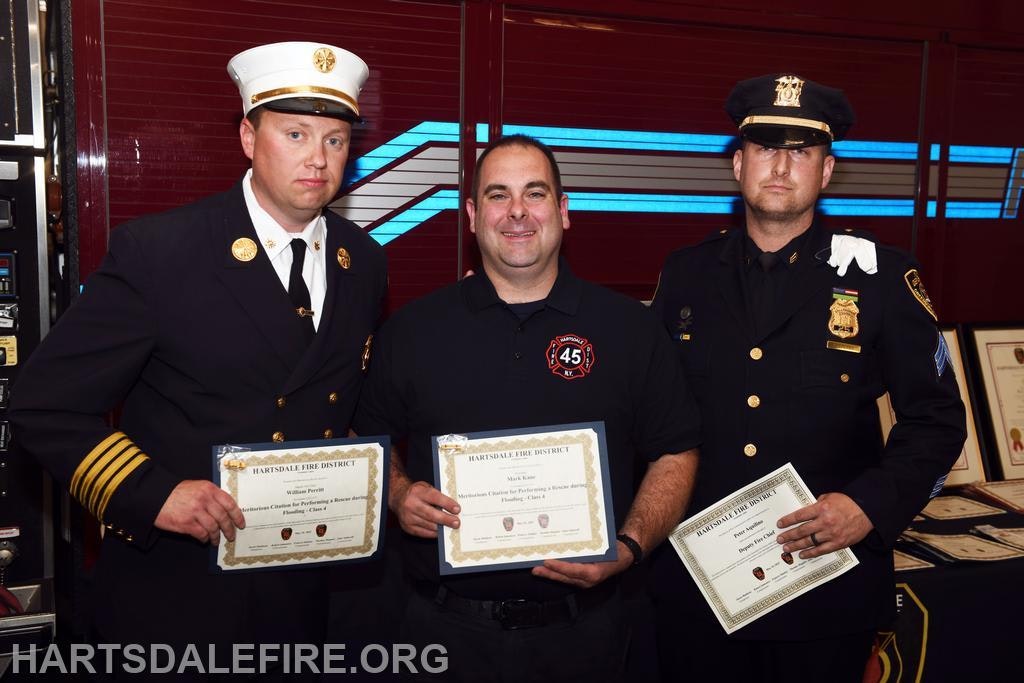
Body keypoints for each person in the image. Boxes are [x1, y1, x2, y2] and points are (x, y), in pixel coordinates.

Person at [8, 41, 386, 651]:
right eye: (294, 134)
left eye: (335, 140)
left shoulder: (363, 261)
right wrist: (154, 494)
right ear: (247, 136)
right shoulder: (162, 253)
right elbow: (42, 407)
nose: (317, 158)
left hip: (305, 584)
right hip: (178, 595)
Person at [650, 73, 966, 682]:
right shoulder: (684, 276)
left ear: (825, 173)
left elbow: (938, 420)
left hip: (825, 588)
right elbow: (648, 413)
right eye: (766, 148)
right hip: (698, 589)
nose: (781, 166)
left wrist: (868, 506)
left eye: (800, 152)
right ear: (737, 164)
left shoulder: (880, 280)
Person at [353, 134, 701, 681]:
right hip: (443, 635)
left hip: (588, 637)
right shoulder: (413, 330)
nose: (517, 212)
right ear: (471, 215)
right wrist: (398, 496)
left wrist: (630, 547)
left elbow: (676, 452)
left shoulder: (630, 330)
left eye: (534, 193)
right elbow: (367, 443)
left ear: (563, 212)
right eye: (497, 195)